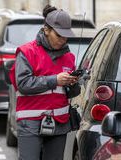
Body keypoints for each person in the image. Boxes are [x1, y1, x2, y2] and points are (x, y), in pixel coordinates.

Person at [10, 5, 79, 160]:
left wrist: (73, 84)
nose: (63, 40)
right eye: (59, 35)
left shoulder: (69, 57)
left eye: (66, 36)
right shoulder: (26, 52)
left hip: (60, 123)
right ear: (46, 29)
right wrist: (55, 80)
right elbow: (23, 84)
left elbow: (70, 94)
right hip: (30, 122)